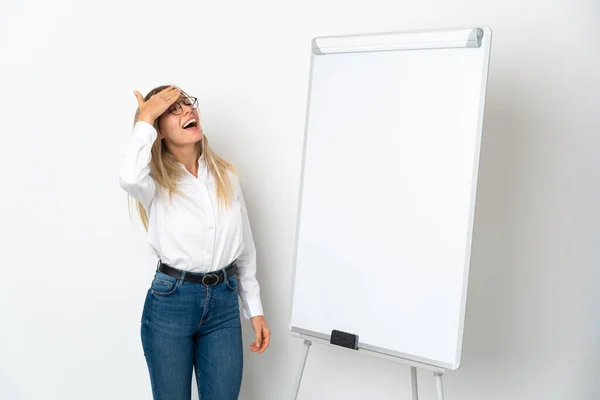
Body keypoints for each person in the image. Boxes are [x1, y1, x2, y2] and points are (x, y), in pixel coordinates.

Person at [119, 85, 270, 400]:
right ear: (159, 130)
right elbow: (129, 178)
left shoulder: (226, 176)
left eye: (188, 104)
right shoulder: (152, 183)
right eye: (172, 109)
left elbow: (245, 247)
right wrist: (145, 117)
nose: (187, 110)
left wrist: (254, 309)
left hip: (224, 305)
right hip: (171, 303)